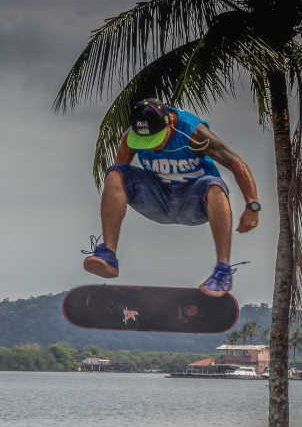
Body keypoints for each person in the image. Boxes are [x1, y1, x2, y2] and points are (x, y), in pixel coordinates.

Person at [82, 98, 261, 296]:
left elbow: (236, 163)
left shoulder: (194, 133)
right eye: (146, 142)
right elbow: (118, 179)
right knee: (115, 173)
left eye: (156, 140)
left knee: (215, 186)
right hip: (157, 200)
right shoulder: (130, 138)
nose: (153, 147)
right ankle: (109, 255)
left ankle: (223, 271)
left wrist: (252, 206)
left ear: (170, 124)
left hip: (194, 203)